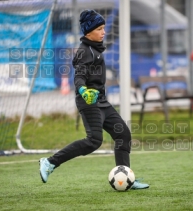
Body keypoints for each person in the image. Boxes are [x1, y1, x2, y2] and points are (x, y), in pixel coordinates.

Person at [39, 10, 149, 189]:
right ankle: (50, 162)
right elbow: (79, 76)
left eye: (104, 28)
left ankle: (126, 178)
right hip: (89, 103)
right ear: (88, 31)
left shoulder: (95, 48)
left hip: (102, 102)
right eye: (99, 28)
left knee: (123, 134)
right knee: (94, 141)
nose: (103, 32)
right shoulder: (85, 51)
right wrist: (83, 90)